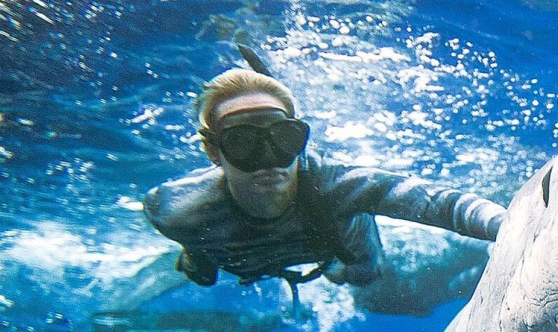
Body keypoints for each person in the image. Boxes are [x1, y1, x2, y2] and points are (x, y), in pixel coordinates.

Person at [142, 67, 507, 293]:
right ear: (214, 153)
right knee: (199, 274)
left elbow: (441, 204)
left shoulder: (336, 185)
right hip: (237, 256)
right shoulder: (174, 210)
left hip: (334, 248)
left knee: (364, 277)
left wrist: (509, 227)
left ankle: (336, 269)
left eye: (283, 140)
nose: (268, 161)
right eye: (243, 143)